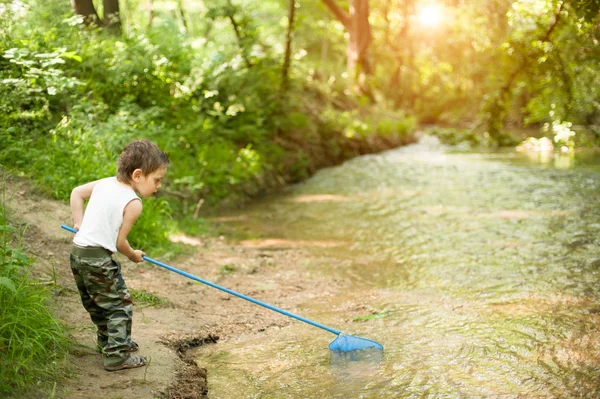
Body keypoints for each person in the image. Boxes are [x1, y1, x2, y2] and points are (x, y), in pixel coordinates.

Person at [69, 139, 169, 371]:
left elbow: (76, 193)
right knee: (119, 306)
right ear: (137, 175)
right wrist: (133, 255)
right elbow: (119, 242)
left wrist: (79, 222)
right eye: (157, 180)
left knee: (97, 304)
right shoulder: (134, 202)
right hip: (98, 260)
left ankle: (111, 343)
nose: (158, 186)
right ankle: (117, 356)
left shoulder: (104, 183)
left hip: (77, 254)